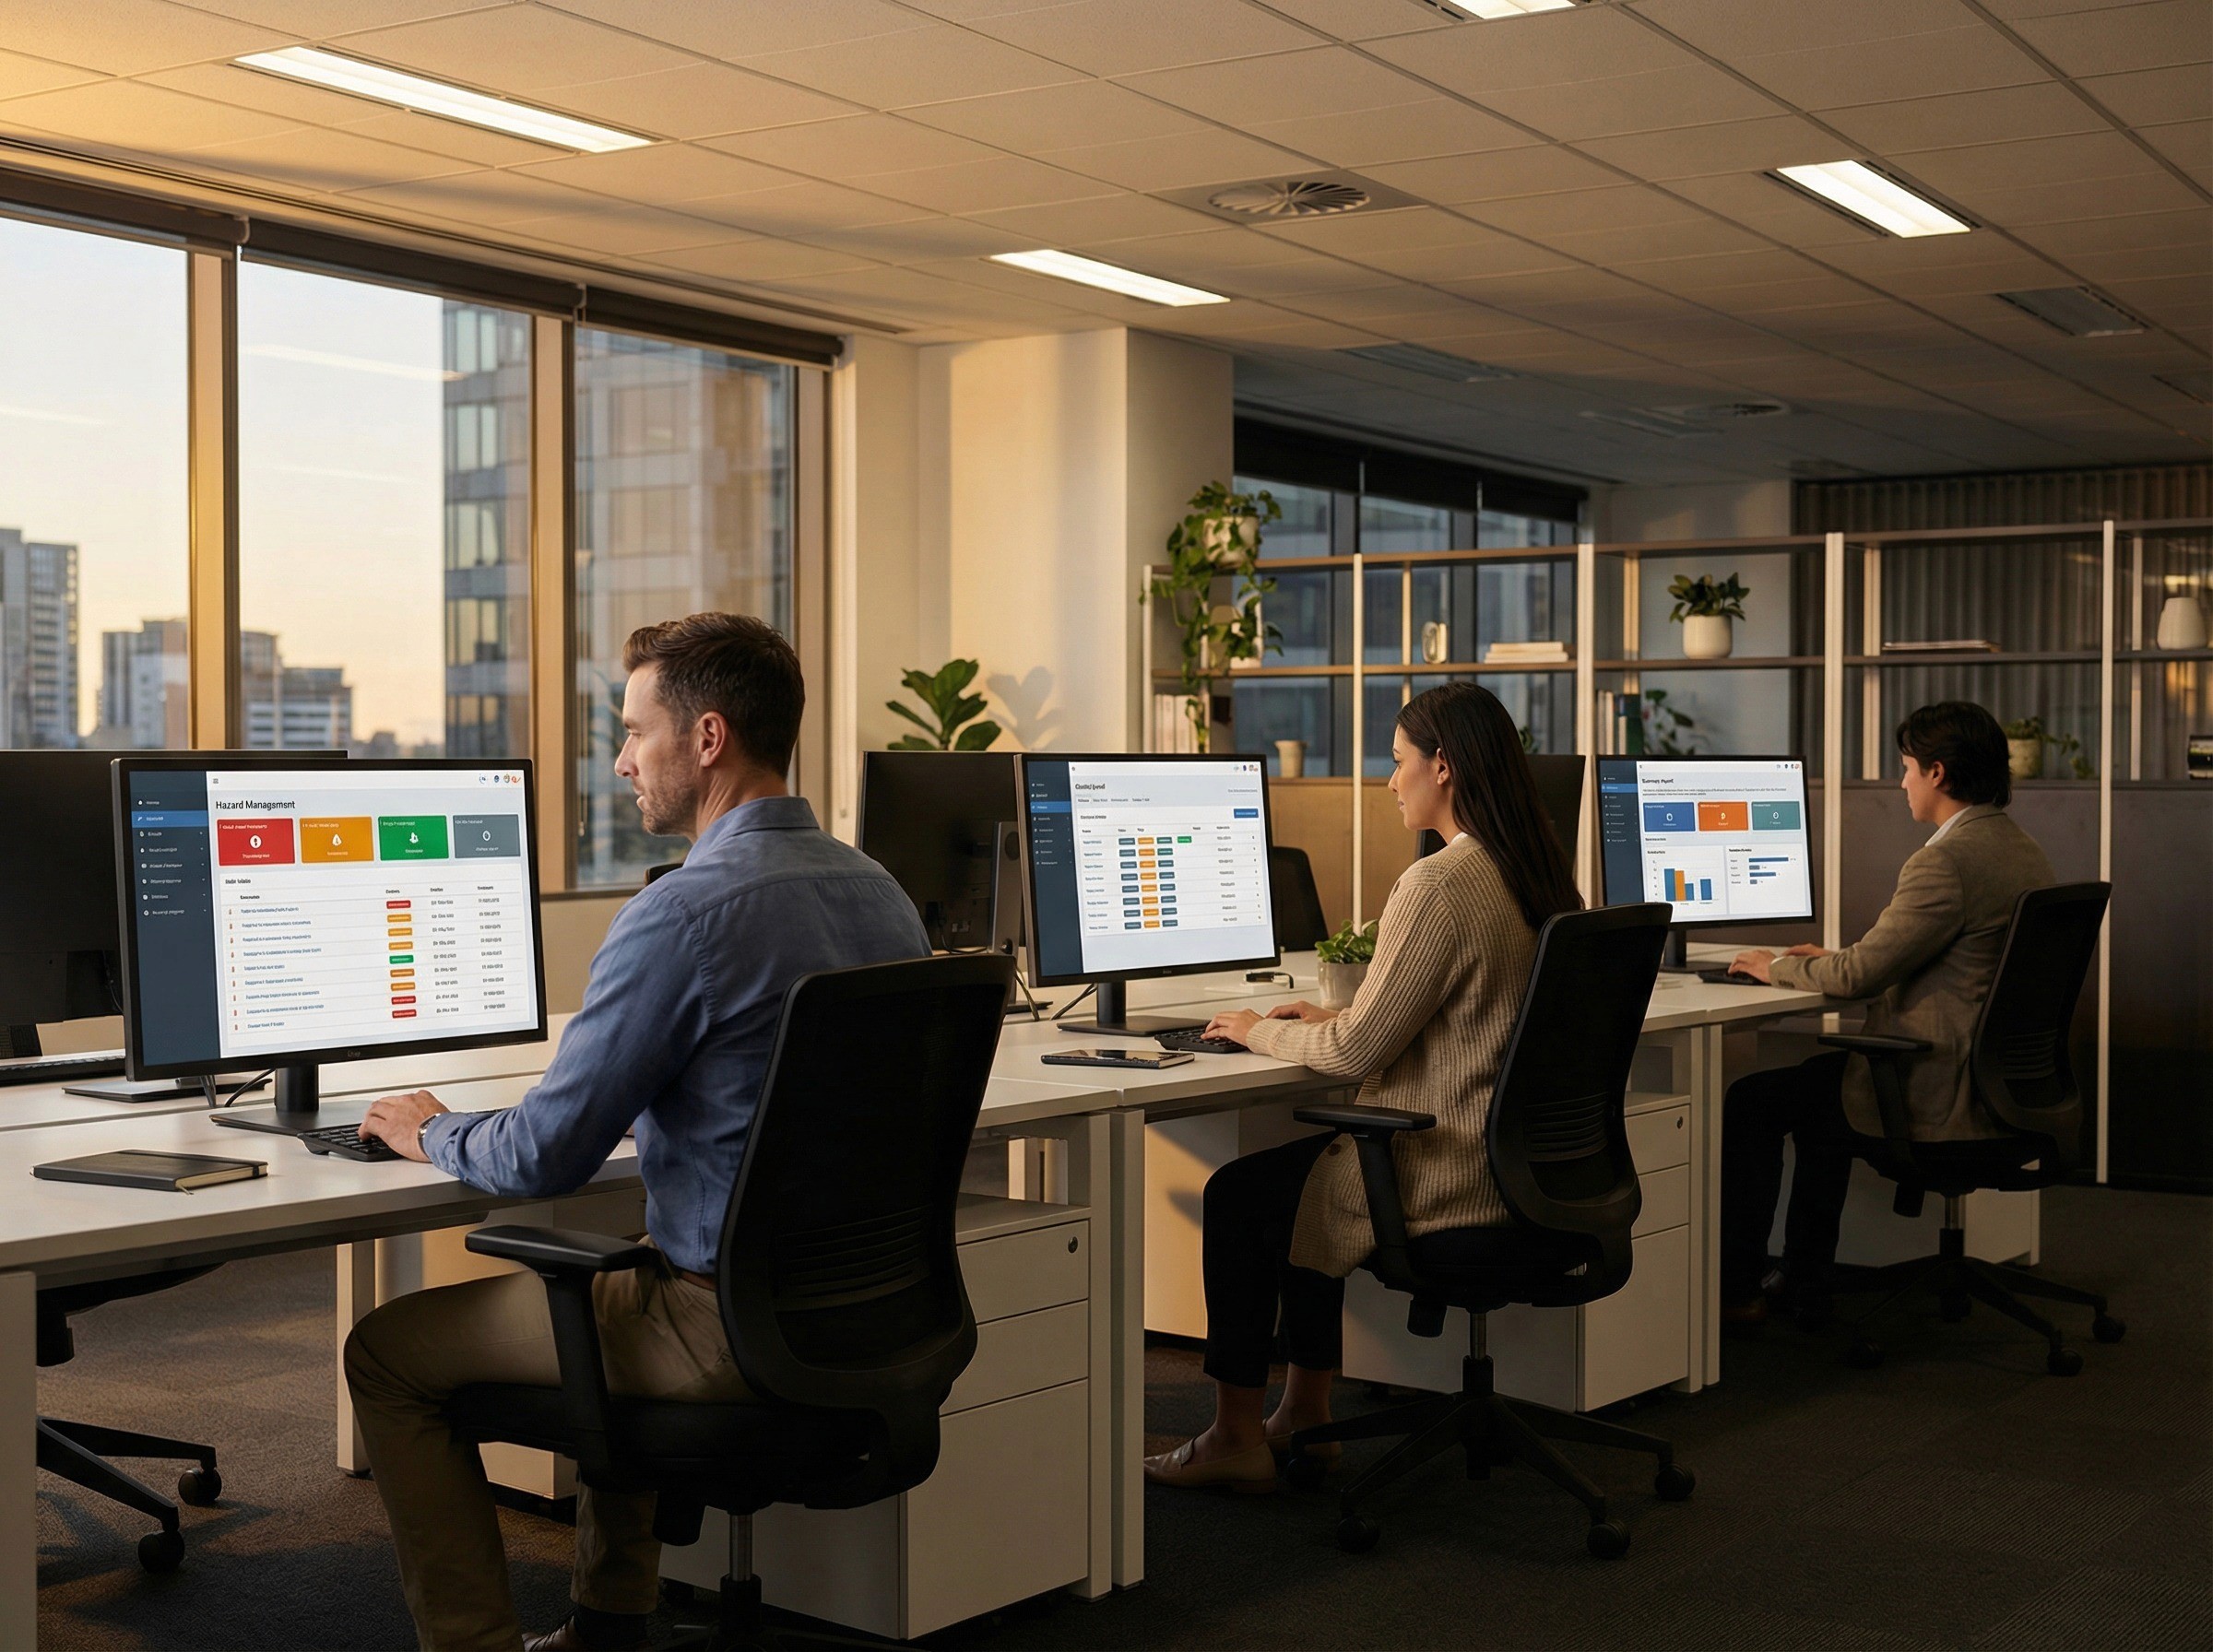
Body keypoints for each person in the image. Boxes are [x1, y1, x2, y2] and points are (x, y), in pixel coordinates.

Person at [343, 613, 930, 1652]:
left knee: (387, 1353)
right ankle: (610, 1623)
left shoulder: (682, 914)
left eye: (633, 731)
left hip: (721, 1329)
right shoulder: (880, 891)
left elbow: (543, 1156)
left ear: (706, 739)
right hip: (866, 1307)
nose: (621, 761)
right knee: (633, 1263)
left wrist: (433, 1129)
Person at [1142, 682, 1581, 1492]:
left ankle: (1234, 1437)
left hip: (1448, 1174)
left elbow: (1351, 1054)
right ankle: (1306, 1415)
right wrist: (1339, 1011)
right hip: (1524, 1169)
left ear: (1443, 768)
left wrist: (1256, 1029)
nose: (1389, 779)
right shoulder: (1537, 871)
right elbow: (1461, 1010)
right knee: (1314, 1169)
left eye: (1399, 759)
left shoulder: (1439, 883)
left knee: (1245, 1195)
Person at [1718, 701, 2056, 1326]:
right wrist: (1840, 958)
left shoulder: (1944, 861)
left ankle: (1739, 1292)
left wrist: (1775, 965)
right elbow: (1928, 957)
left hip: (1939, 1089)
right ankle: (1804, 1278)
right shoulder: (2020, 847)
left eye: (1906, 768)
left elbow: (1858, 979)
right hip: (2002, 1086)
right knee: (1820, 1098)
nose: (1901, 783)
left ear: (1937, 773)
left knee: (1753, 1103)